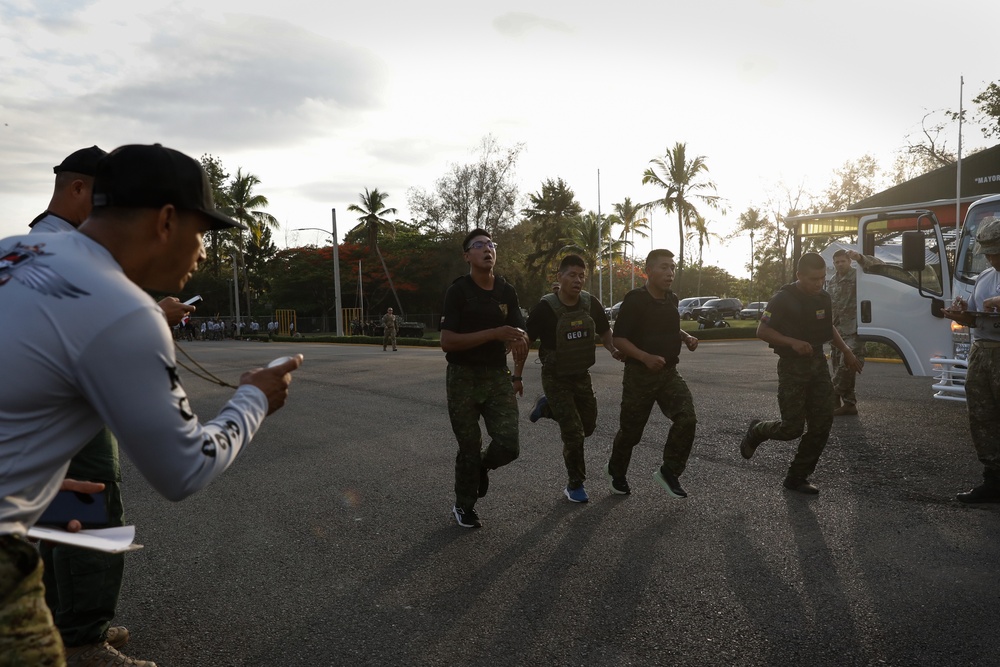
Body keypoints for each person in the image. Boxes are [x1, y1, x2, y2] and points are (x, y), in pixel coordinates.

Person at [0, 143, 302, 666]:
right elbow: (185, 469)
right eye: (202, 233)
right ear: (166, 221)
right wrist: (255, 398)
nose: (202, 253)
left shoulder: (14, 251)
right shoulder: (123, 308)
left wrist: (30, 476)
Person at [31, 147, 197, 667]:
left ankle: (63, 627)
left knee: (61, 519)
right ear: (79, 189)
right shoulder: (66, 251)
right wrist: (154, 314)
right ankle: (84, 641)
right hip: (68, 407)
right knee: (93, 510)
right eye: (108, 200)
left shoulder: (35, 244)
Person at [740, 252, 862, 494]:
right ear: (799, 276)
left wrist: (846, 350)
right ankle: (757, 430)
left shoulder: (823, 297)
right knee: (791, 428)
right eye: (814, 279)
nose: (819, 283)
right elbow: (762, 331)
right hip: (792, 367)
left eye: (822, 278)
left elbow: (828, 327)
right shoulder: (783, 298)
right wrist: (792, 342)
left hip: (817, 365)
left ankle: (797, 477)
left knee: (822, 423)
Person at [440, 229, 528, 528]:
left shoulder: (506, 291)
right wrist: (493, 333)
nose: (487, 249)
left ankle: (482, 466)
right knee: (469, 445)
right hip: (462, 377)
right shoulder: (458, 291)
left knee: (509, 444)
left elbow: (519, 329)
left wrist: (519, 341)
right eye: (478, 245)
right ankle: (464, 505)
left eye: (490, 244)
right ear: (467, 256)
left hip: (496, 375)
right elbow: (447, 342)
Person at [517, 255, 623, 503]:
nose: (578, 280)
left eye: (581, 276)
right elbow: (524, 343)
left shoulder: (590, 303)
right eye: (572, 275)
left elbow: (605, 332)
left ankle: (547, 407)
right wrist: (516, 376)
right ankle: (575, 485)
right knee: (573, 433)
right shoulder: (545, 308)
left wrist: (613, 349)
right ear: (560, 277)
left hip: (581, 374)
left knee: (588, 426)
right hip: (555, 377)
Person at [606, 249, 699, 498]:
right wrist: (644, 357)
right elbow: (619, 339)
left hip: (668, 373)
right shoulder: (635, 300)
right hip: (639, 376)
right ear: (649, 271)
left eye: (672, 268)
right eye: (664, 267)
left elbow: (670, 328)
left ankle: (670, 471)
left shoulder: (672, 299)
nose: (670, 273)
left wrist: (686, 337)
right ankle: (616, 471)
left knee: (687, 418)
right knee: (631, 432)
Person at [942, 217, 1000, 503]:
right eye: (987, 252)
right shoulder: (986, 277)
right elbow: (976, 317)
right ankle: (993, 479)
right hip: (982, 351)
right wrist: (961, 313)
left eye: (994, 252)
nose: (990, 258)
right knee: (982, 415)